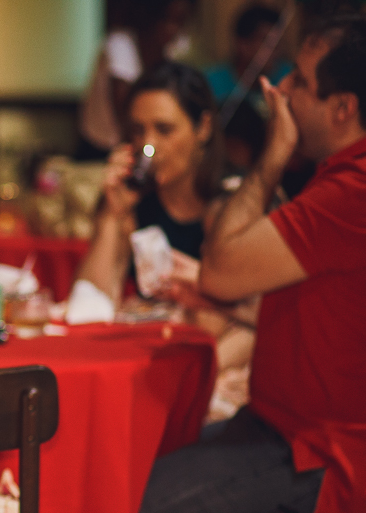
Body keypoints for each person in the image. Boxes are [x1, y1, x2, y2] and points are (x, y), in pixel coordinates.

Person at [129, 14, 366, 513]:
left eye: (296, 80)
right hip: (278, 427)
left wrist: (267, 161)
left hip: (319, 453)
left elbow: (228, 262)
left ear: (342, 108)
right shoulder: (337, 183)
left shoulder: (351, 189)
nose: (278, 91)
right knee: (126, 505)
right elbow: (281, 304)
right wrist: (218, 295)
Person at [72, 61, 257, 421]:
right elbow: (89, 306)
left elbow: (258, 321)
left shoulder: (235, 201)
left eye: (164, 130)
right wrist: (112, 215)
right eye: (137, 130)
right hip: (151, 370)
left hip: (213, 378)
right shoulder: (135, 201)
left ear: (203, 127)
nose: (148, 146)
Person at [78, 0, 195, 158]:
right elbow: (126, 112)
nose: (172, 29)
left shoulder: (174, 48)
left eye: (179, 22)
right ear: (150, 17)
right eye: (166, 20)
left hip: (139, 143)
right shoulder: (120, 45)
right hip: (101, 143)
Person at [206, 4, 292, 106]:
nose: (275, 50)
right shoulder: (212, 84)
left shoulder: (288, 79)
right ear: (243, 44)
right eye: (268, 43)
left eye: (278, 43)